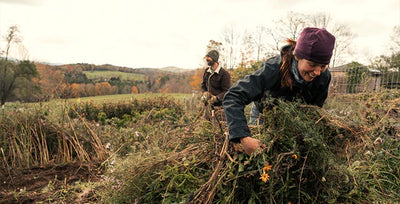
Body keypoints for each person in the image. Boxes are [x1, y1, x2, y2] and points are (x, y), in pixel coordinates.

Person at [223, 27, 335, 155]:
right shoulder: (273, 69)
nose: (317, 72)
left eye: (323, 66)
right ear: (297, 56)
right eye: (312, 64)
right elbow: (234, 96)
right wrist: (244, 138)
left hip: (293, 120)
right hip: (264, 115)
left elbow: (314, 111)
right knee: (262, 157)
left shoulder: (323, 77)